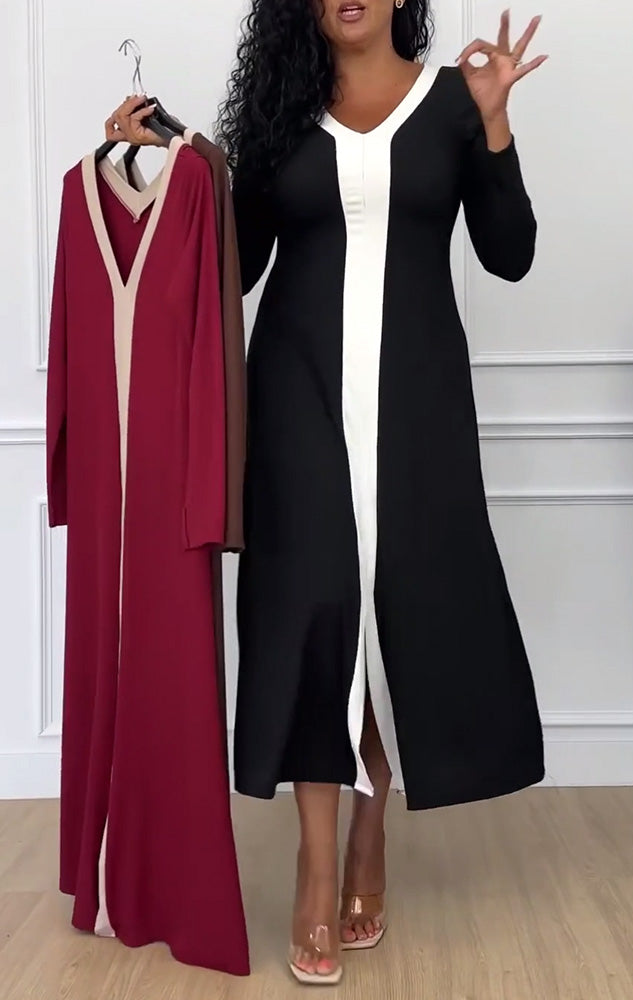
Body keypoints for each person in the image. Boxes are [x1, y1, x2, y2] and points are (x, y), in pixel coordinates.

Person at [107, 0, 547, 986]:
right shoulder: (281, 110)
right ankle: (315, 862)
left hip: (419, 407)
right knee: (312, 612)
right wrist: (169, 171)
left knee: (398, 612)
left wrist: (494, 123)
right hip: (295, 403)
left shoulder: (452, 101)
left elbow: (510, 253)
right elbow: (236, 263)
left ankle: (368, 832)